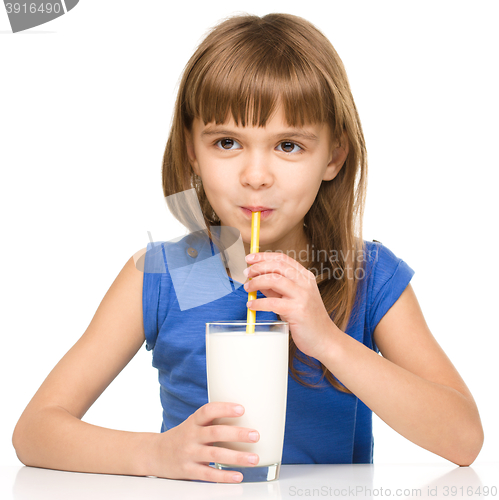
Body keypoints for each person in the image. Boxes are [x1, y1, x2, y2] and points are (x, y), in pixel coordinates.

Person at [12, 13, 483, 483]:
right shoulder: (167, 274)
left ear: (334, 156)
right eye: (227, 142)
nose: (256, 175)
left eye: (289, 146)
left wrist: (328, 342)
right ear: (192, 151)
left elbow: (463, 439)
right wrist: (154, 455)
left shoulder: (366, 275)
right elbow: (35, 431)